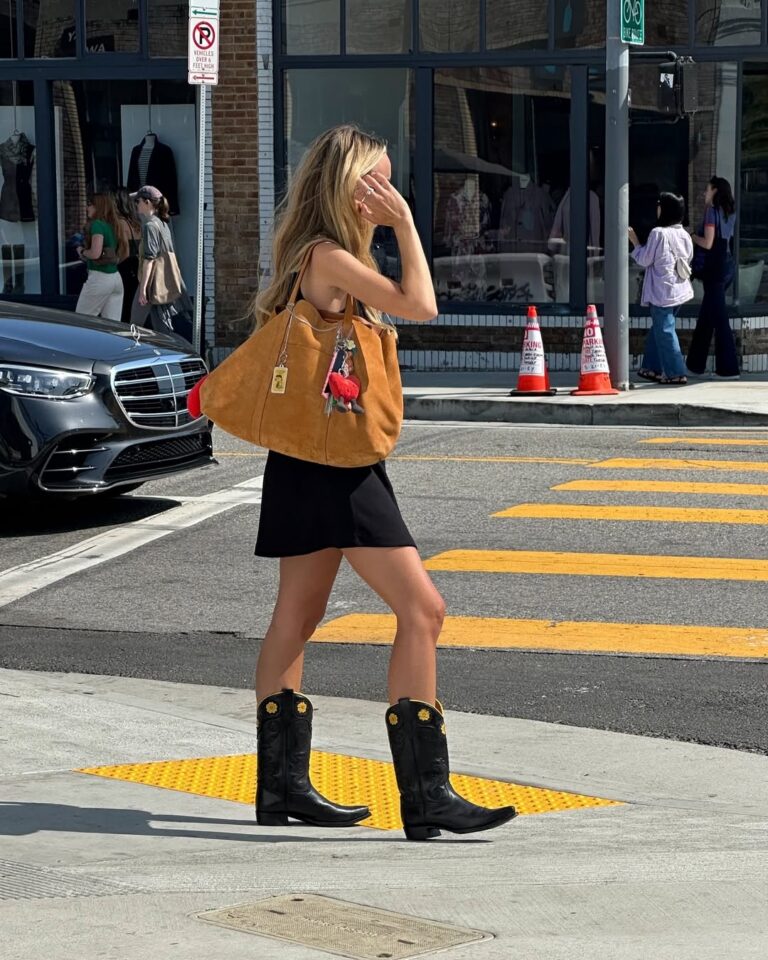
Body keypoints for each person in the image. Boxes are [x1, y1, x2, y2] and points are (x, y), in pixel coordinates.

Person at [249, 124, 516, 841]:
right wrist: (406, 227)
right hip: (335, 466)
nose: (387, 195)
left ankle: (281, 789)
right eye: (379, 183)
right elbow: (422, 305)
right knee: (424, 609)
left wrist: (389, 225)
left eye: (391, 185)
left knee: (296, 619)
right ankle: (427, 796)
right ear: (349, 186)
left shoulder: (320, 255)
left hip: (311, 458)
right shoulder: (331, 258)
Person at [628, 192, 694, 385]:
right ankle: (651, 368)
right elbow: (687, 259)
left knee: (665, 331)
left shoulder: (658, 233)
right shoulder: (684, 234)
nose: (656, 208)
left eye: (659, 204)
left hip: (661, 292)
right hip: (679, 291)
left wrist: (635, 242)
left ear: (665, 209)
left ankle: (675, 373)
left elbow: (644, 259)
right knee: (660, 328)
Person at [687, 176, 739, 379]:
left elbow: (707, 243)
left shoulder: (711, 212)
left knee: (719, 319)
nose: (704, 193)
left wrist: (691, 235)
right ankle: (694, 366)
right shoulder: (729, 213)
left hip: (713, 270)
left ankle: (729, 369)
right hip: (726, 267)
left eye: (707, 189)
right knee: (707, 318)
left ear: (715, 190)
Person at [130, 184, 193, 343]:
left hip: (151, 281)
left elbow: (150, 258)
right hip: (161, 281)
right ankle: (182, 354)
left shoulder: (150, 226)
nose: (136, 205)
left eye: (138, 201)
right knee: (162, 329)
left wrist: (143, 289)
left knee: (135, 327)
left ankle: (188, 352)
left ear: (148, 202)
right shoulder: (163, 223)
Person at [75, 192, 127, 321]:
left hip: (99, 278)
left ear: (98, 207)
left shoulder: (97, 225)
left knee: (81, 322)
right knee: (112, 327)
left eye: (90, 205)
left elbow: (95, 253)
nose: (87, 208)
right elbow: (125, 252)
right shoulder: (114, 225)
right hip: (115, 278)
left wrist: (82, 251)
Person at [113, 187, 142, 325]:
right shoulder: (136, 223)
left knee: (124, 308)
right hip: (137, 268)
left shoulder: (120, 223)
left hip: (125, 269)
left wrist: (113, 263)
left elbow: (124, 250)